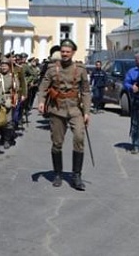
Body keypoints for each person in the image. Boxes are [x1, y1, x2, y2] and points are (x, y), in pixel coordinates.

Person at [36, 39, 92, 191]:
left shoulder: (80, 69)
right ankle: (58, 174)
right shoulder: (52, 68)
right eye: (63, 51)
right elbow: (43, 87)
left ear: (73, 52)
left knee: (79, 138)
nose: (65, 54)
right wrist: (41, 102)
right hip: (57, 109)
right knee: (57, 143)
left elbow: (86, 91)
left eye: (68, 52)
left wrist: (86, 112)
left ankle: (76, 175)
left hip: (75, 109)